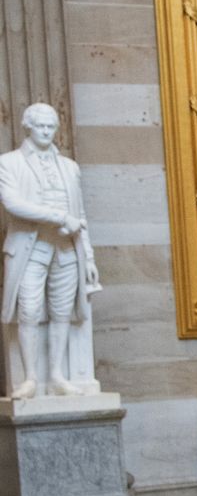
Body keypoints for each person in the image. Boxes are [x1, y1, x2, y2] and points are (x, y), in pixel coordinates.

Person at [1, 104, 101, 399]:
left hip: (67, 251)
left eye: (51, 127)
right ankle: (31, 378)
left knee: (62, 312)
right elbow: (13, 204)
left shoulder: (70, 167)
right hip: (30, 249)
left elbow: (80, 215)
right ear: (27, 127)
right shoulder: (9, 163)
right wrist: (59, 217)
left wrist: (90, 257)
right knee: (29, 311)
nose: (46, 132)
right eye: (40, 126)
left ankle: (56, 374)